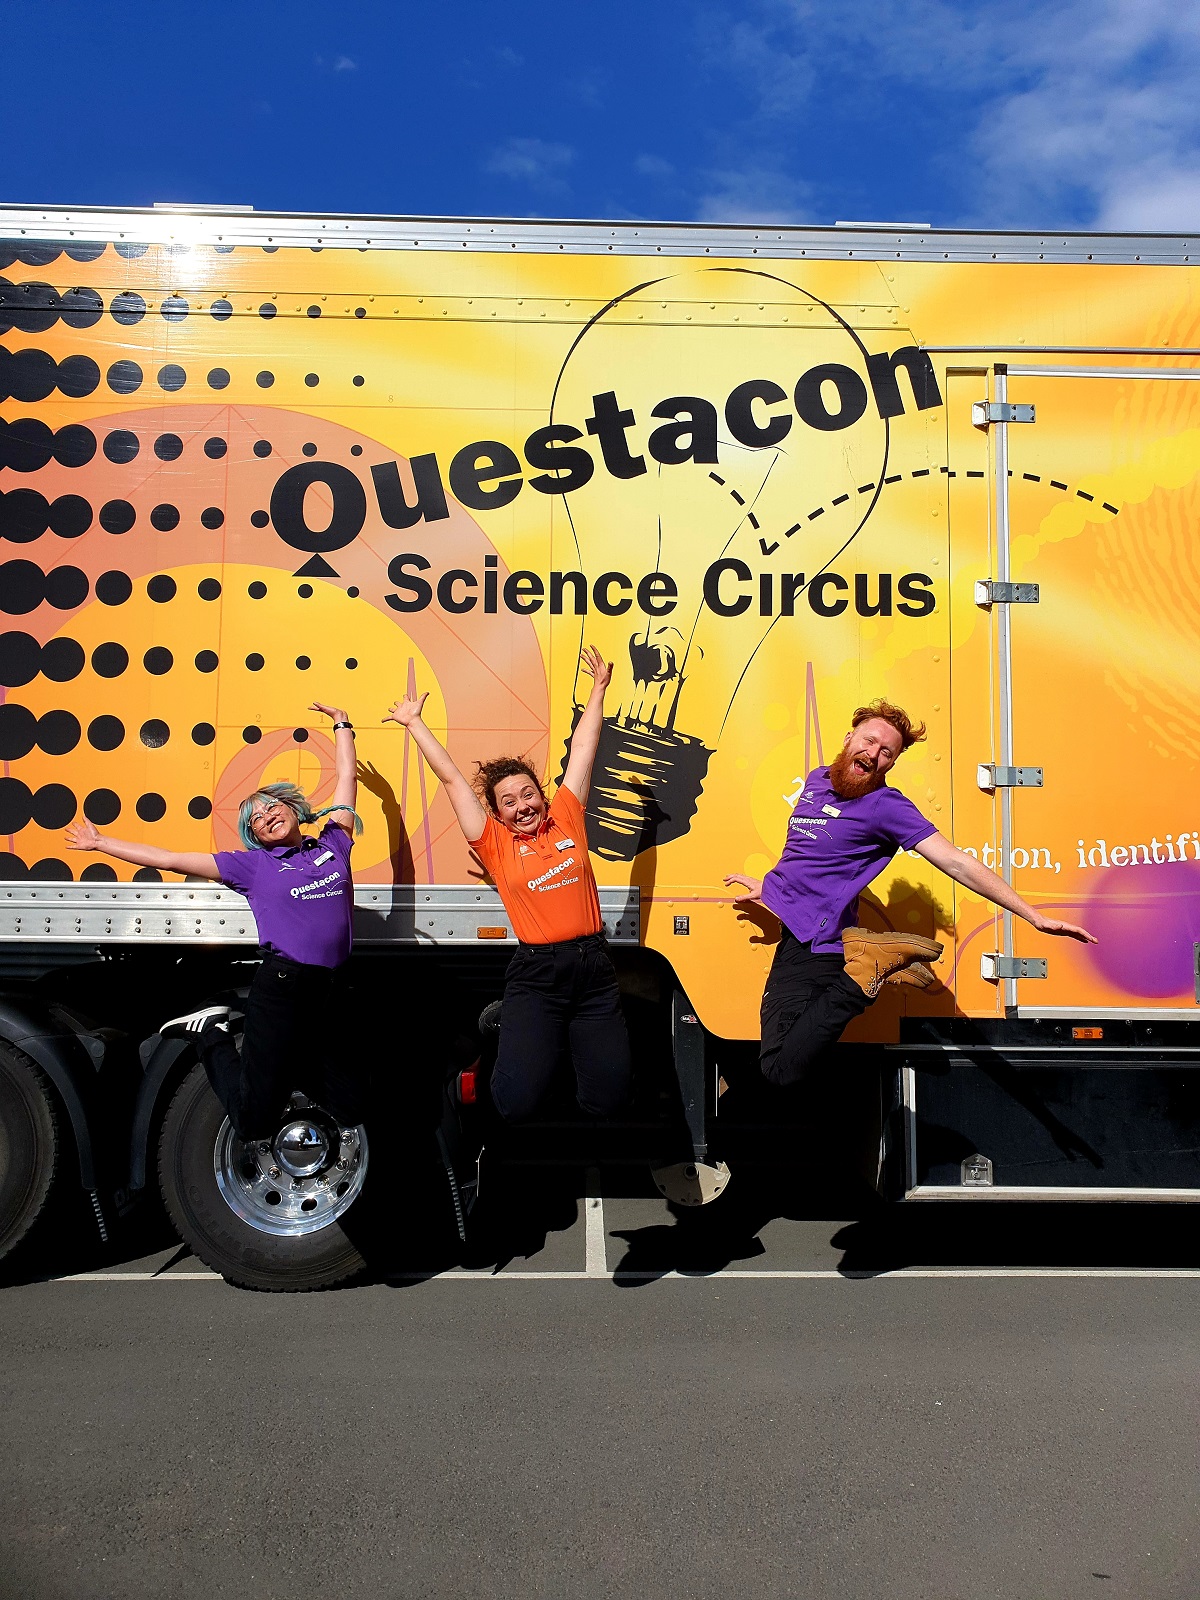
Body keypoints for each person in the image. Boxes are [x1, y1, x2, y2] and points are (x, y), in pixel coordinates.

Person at [724, 698, 1097, 1088]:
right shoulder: (818, 780)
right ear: (849, 738)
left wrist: (1032, 915)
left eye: (886, 752)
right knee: (780, 1062)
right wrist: (772, 887)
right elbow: (808, 853)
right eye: (869, 741)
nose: (873, 753)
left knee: (781, 1069)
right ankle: (875, 967)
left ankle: (860, 978)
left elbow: (957, 863)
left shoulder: (885, 806)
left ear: (892, 763)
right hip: (795, 935)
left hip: (820, 946)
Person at [65, 703, 364, 1139]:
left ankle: (284, 1073)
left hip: (333, 990)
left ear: (294, 809)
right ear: (255, 837)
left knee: (351, 1108)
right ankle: (211, 1035)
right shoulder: (253, 867)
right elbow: (168, 858)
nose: (266, 818)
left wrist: (342, 725)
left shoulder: (333, 844)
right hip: (283, 988)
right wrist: (101, 843)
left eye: (271, 807)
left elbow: (345, 780)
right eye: (256, 820)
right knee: (253, 1123)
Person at [385, 647, 632, 1123]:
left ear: (542, 795)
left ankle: (541, 1047)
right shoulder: (495, 844)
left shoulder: (566, 819)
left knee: (610, 1102)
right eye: (508, 802)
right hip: (537, 976)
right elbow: (453, 780)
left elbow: (583, 750)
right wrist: (415, 723)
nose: (522, 806)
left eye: (528, 794)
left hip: (593, 970)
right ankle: (509, 1029)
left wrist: (598, 689)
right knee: (516, 1104)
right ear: (496, 814)